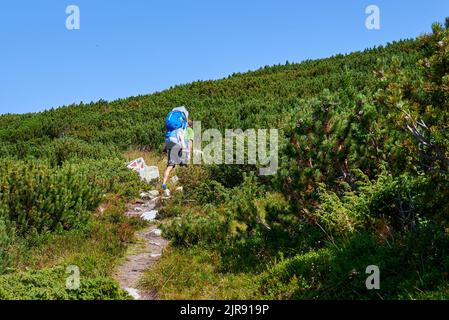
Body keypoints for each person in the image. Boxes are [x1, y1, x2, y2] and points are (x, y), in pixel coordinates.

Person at [162, 106, 189, 195]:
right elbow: (181, 139)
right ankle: (187, 182)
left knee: (170, 166)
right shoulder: (180, 128)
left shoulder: (169, 130)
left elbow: (166, 140)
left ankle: (164, 184)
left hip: (169, 144)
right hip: (177, 145)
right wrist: (185, 149)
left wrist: (165, 148)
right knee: (184, 164)